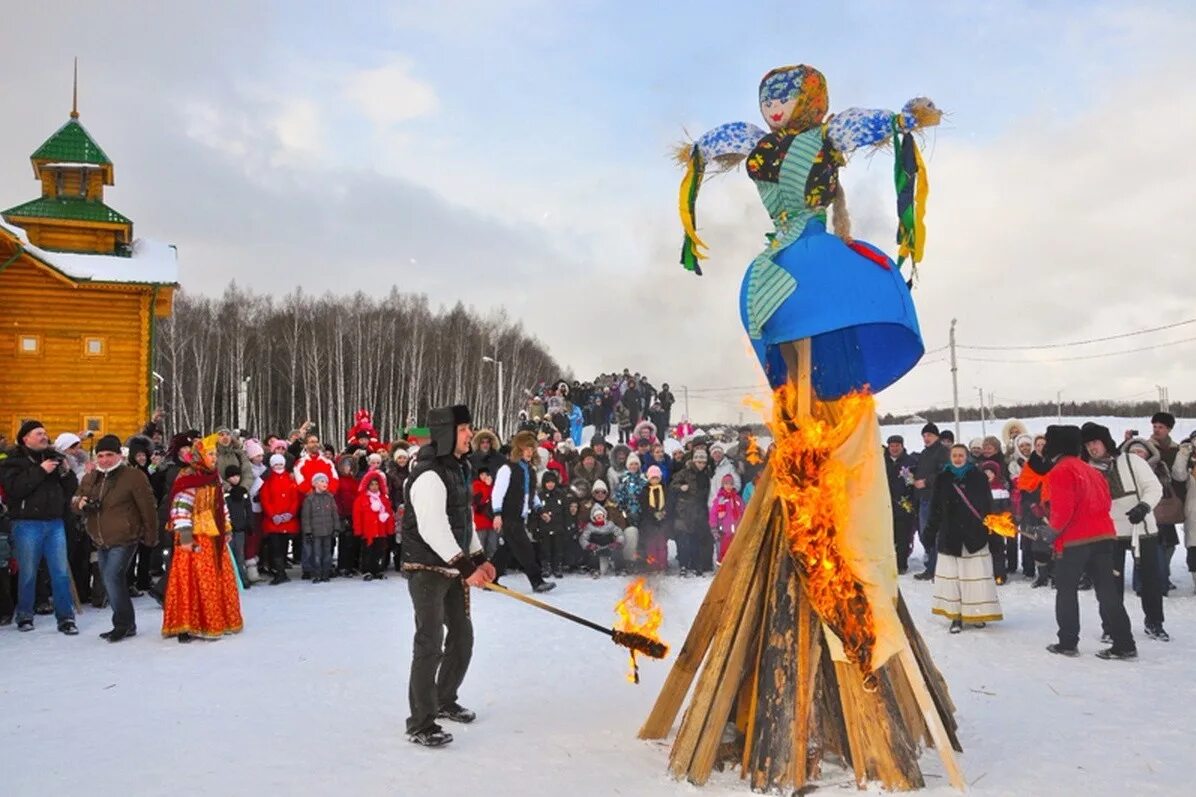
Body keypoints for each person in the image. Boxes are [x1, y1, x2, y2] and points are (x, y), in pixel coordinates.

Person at [402, 405, 497, 748]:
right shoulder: (428, 474)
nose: (470, 434)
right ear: (445, 433)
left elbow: (463, 521)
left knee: (462, 635)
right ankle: (420, 722)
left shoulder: (458, 468)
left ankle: (444, 699)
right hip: (426, 568)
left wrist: (480, 558)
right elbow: (433, 529)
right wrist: (467, 568)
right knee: (429, 643)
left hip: (453, 565)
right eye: (463, 429)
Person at [1042, 426, 1135, 660]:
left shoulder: (1060, 470)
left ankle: (1067, 641)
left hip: (1075, 541)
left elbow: (1063, 511)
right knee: (1107, 592)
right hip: (1103, 536)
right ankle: (1124, 643)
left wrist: (1051, 532)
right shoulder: (1092, 471)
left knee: (1066, 590)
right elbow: (1105, 504)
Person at [1081, 423, 1168, 642]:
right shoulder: (1087, 470)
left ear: (1105, 442)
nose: (1093, 447)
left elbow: (1154, 488)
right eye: (1088, 443)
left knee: (1150, 580)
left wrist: (1144, 506)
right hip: (1110, 532)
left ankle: (1154, 622)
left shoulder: (1131, 460)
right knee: (1109, 583)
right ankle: (1111, 626)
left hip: (1142, 527)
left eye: (1096, 442)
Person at [72, 434, 157, 642]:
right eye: (100, 455)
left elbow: (148, 508)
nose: (104, 459)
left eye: (109, 454)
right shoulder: (91, 477)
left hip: (125, 536)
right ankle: (126, 623)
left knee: (112, 577)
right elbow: (75, 501)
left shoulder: (133, 476)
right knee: (111, 580)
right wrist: (80, 504)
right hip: (100, 538)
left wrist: (151, 536)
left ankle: (123, 624)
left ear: (119, 455)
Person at [161, 434, 244, 643]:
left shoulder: (213, 476)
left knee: (214, 577)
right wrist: (186, 536)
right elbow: (180, 507)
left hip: (213, 536)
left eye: (215, 454)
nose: (214, 458)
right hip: (194, 536)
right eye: (210, 454)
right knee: (191, 579)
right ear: (200, 455)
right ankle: (187, 624)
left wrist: (226, 527)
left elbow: (220, 505)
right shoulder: (188, 476)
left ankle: (216, 619)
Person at [0, 420, 79, 634]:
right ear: (25, 438)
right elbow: (15, 489)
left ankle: (66, 618)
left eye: (45, 433)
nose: (44, 436)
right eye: (38, 433)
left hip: (54, 522)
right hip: (26, 523)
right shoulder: (13, 462)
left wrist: (65, 472)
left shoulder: (53, 457)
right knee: (28, 572)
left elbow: (71, 489)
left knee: (60, 572)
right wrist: (41, 470)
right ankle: (25, 616)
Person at [926, 444, 1002, 633]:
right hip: (950, 535)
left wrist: (991, 530)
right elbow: (935, 507)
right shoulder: (943, 478)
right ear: (950, 457)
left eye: (961, 455)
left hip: (974, 534)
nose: (958, 458)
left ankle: (976, 613)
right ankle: (956, 617)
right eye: (954, 455)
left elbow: (987, 505)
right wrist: (930, 530)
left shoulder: (978, 477)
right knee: (954, 580)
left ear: (967, 457)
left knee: (974, 577)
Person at [491, 431, 556, 594]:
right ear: (519, 449)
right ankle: (537, 581)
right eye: (526, 448)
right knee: (525, 548)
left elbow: (530, 493)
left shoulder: (529, 469)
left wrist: (540, 509)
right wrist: (497, 514)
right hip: (509, 515)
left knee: (505, 550)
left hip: (520, 516)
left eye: (532, 448)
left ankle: (490, 579)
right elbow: (497, 492)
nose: (529, 451)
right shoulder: (507, 469)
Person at [913, 423, 950, 580]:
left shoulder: (943, 453)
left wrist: (927, 482)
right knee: (924, 534)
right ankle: (931, 565)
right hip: (923, 498)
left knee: (934, 534)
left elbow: (944, 474)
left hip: (936, 499)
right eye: (924, 435)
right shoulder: (925, 453)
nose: (926, 438)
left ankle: (936, 569)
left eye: (929, 435)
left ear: (937, 437)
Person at [259, 454, 301, 585]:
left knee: (283, 546)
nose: (278, 467)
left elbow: (295, 498)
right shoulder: (268, 480)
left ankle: (282, 571)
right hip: (274, 521)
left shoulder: (290, 479)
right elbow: (265, 499)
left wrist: (290, 513)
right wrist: (273, 515)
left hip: (287, 520)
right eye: (276, 465)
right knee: (275, 547)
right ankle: (279, 571)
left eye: (280, 464)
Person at [884, 434, 918, 574]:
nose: (894, 448)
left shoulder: (910, 462)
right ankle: (887, 563)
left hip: (904, 505)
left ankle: (901, 564)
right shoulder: (881, 461)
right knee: (887, 536)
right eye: (892, 446)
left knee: (903, 536)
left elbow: (913, 483)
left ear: (902, 446)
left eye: (897, 445)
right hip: (885, 505)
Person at [354, 470, 394, 581]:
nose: (374, 487)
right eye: (372, 484)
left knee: (379, 551)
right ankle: (366, 570)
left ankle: (378, 569)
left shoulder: (383, 499)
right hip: (368, 531)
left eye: (376, 484)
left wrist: (390, 529)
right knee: (367, 551)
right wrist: (358, 530)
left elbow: (389, 514)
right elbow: (357, 516)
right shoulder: (361, 499)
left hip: (381, 531)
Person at [301, 472, 340, 582]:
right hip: (316, 532)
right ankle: (317, 573)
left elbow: (334, 514)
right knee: (316, 554)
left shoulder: (330, 497)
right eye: (322, 481)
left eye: (326, 482)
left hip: (328, 531)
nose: (325, 483)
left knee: (327, 554)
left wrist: (336, 528)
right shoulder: (309, 499)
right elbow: (306, 517)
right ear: (315, 483)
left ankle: (326, 573)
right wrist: (308, 532)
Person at [534, 471, 569, 579]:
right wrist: (535, 528)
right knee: (545, 549)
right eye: (548, 482)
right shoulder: (540, 496)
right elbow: (535, 513)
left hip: (558, 527)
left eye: (552, 482)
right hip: (544, 528)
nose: (550, 484)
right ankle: (546, 566)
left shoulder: (561, 495)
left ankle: (557, 567)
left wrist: (566, 526)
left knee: (558, 548)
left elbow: (565, 512)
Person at [223, 465, 253, 588]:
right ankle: (231, 580)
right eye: (232, 476)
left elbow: (248, 509)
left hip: (240, 528)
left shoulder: (243, 492)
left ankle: (243, 578)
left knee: (240, 555)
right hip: (229, 528)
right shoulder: (225, 494)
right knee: (230, 556)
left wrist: (249, 523)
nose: (235, 479)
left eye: (237, 476)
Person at [709, 473, 744, 566]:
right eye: (726, 484)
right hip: (724, 532)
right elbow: (713, 514)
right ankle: (721, 570)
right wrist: (713, 527)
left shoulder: (737, 499)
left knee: (736, 552)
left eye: (731, 484)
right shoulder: (720, 500)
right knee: (723, 552)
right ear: (723, 485)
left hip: (737, 531)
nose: (729, 486)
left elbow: (743, 512)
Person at [580, 504, 624, 577]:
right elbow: (583, 538)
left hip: (608, 547)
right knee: (592, 554)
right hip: (596, 549)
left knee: (618, 550)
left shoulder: (610, 525)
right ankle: (594, 569)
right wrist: (589, 545)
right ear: (593, 517)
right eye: (597, 515)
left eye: (600, 515)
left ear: (604, 515)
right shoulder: (590, 527)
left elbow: (619, 533)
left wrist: (617, 542)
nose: (599, 517)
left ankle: (620, 569)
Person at [641, 465, 670, 571]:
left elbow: (669, 502)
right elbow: (644, 506)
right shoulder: (645, 491)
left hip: (663, 521)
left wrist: (663, 512)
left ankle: (663, 563)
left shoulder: (665, 489)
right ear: (649, 478)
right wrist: (654, 513)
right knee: (651, 544)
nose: (655, 480)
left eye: (657, 478)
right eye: (652, 478)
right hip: (649, 521)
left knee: (662, 543)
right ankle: (652, 563)